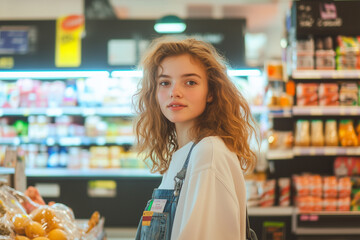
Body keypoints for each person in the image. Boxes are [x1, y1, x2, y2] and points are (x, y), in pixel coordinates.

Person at [133, 37, 258, 240]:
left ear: (210, 92)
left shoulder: (208, 153)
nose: (175, 92)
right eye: (164, 83)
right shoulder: (185, 154)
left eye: (190, 82)